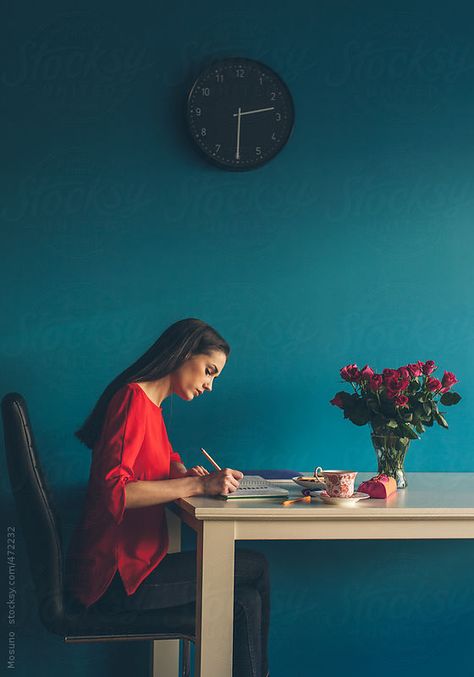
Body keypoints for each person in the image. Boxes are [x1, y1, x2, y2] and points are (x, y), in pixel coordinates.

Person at [65, 318, 270, 677]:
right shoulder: (132, 398)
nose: (209, 385)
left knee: (245, 600)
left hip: (136, 566)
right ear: (184, 352)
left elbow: (162, 460)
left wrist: (180, 472)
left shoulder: (151, 406)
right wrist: (198, 486)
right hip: (117, 577)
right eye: (209, 371)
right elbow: (117, 492)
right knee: (255, 569)